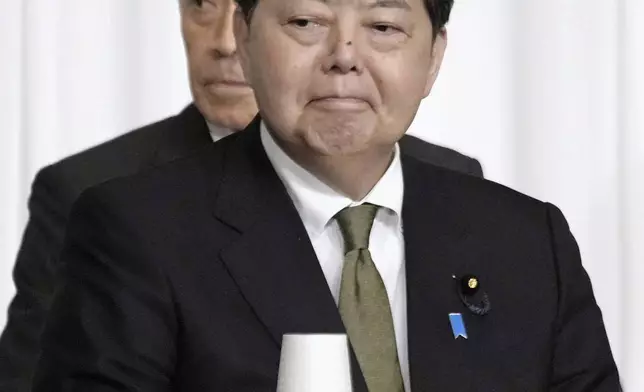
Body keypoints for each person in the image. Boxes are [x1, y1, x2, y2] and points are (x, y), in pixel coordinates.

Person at [32, 0, 619, 390]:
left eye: (383, 27)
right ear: (245, 36)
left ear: (434, 56)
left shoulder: (525, 239)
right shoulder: (136, 231)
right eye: (306, 23)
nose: (344, 57)